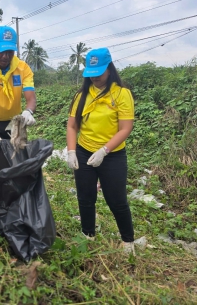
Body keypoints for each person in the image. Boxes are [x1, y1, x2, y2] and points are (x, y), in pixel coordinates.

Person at [66, 47, 135, 254]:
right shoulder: (82, 96)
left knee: (117, 200)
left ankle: (127, 242)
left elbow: (126, 128)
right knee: (85, 197)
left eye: (99, 73)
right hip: (84, 151)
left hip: (112, 156)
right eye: (91, 74)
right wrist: (71, 151)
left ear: (109, 69)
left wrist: (105, 150)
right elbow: (72, 126)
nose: (95, 78)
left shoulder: (122, 94)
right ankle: (88, 235)